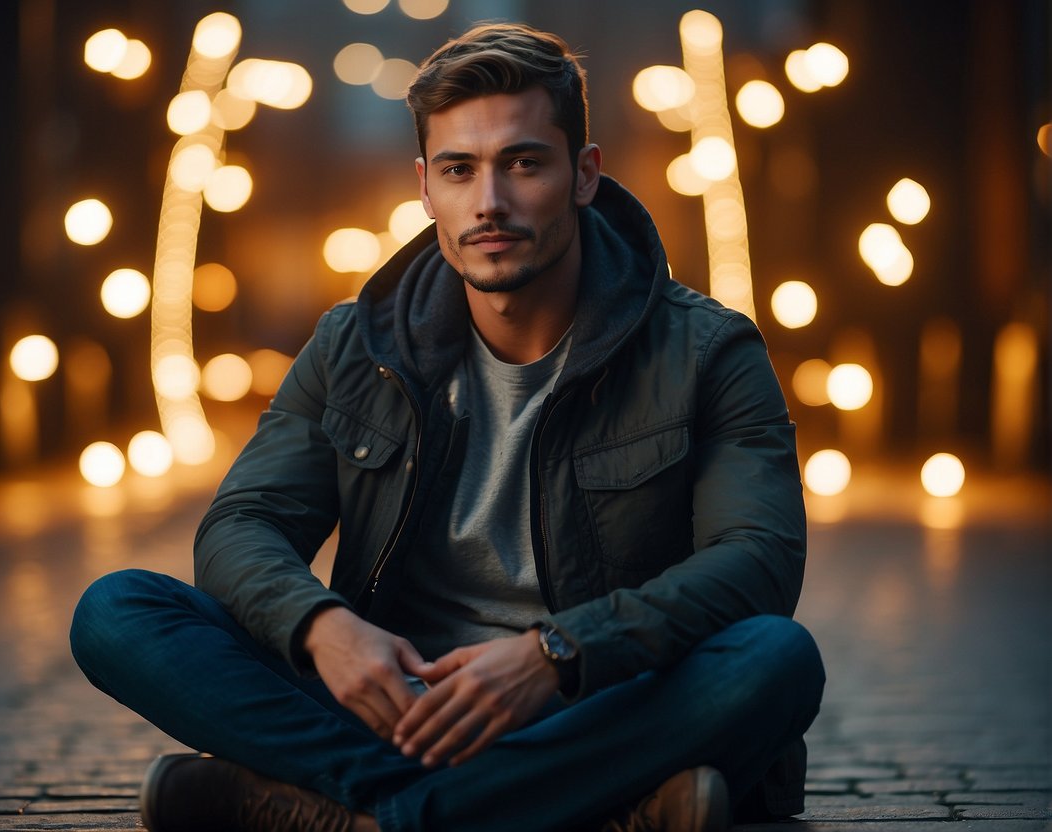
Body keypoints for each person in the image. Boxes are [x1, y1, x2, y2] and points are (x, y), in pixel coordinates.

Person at [70, 21, 824, 832]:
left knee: (773, 661)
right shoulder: (354, 344)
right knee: (118, 612)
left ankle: (347, 815)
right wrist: (322, 629)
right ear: (426, 188)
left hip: (593, 703)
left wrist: (556, 656)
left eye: (523, 163)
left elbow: (756, 564)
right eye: (460, 171)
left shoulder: (706, 351)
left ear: (584, 175)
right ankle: (592, 813)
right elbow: (241, 526)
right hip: (397, 707)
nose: (488, 203)